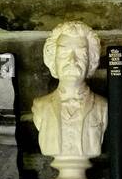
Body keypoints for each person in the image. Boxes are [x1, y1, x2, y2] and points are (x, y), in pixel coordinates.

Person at [31, 21, 107, 160]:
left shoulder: (103, 107)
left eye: (81, 53)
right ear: (52, 58)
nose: (72, 61)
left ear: (92, 60)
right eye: (64, 52)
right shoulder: (40, 106)